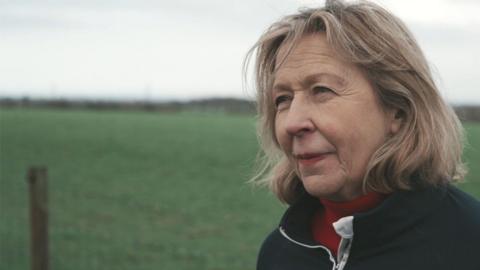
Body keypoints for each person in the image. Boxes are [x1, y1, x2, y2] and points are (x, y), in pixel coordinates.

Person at [245, 0, 480, 269]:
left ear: (398, 110)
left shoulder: (469, 245)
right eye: (283, 99)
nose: (292, 123)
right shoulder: (281, 251)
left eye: (322, 90)